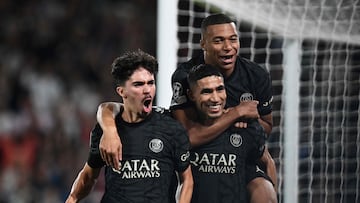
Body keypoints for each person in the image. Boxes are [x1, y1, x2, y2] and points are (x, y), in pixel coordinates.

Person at [96, 13, 277, 202]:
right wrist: (235, 114)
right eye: (218, 40)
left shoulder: (256, 76)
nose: (228, 47)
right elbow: (185, 136)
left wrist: (247, 124)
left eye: (233, 39)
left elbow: (266, 127)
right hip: (193, 159)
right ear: (203, 44)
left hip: (236, 154)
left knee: (265, 191)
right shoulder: (185, 76)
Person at [65, 49, 193, 203]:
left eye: (151, 83)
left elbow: (186, 180)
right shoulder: (105, 130)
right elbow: (89, 176)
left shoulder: (170, 127)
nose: (147, 90)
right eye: (138, 84)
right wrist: (72, 199)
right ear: (122, 91)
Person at [187, 64, 267, 202]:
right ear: (191, 95)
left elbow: (266, 162)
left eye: (220, 89)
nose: (215, 98)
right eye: (206, 92)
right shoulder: (179, 131)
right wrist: (237, 113)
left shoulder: (247, 129)